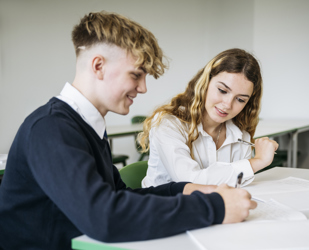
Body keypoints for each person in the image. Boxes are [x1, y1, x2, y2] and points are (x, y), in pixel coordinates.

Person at [0, 12, 257, 250]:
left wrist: (184, 189)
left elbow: (118, 196)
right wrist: (215, 207)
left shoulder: (86, 126)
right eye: (136, 75)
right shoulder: (50, 128)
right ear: (98, 66)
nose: (143, 88)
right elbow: (104, 217)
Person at [139, 48, 279, 188]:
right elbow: (189, 182)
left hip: (211, 207)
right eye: (222, 91)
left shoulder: (241, 136)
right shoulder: (169, 124)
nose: (227, 104)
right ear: (205, 82)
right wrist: (258, 161)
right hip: (163, 207)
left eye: (240, 100)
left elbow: (237, 186)